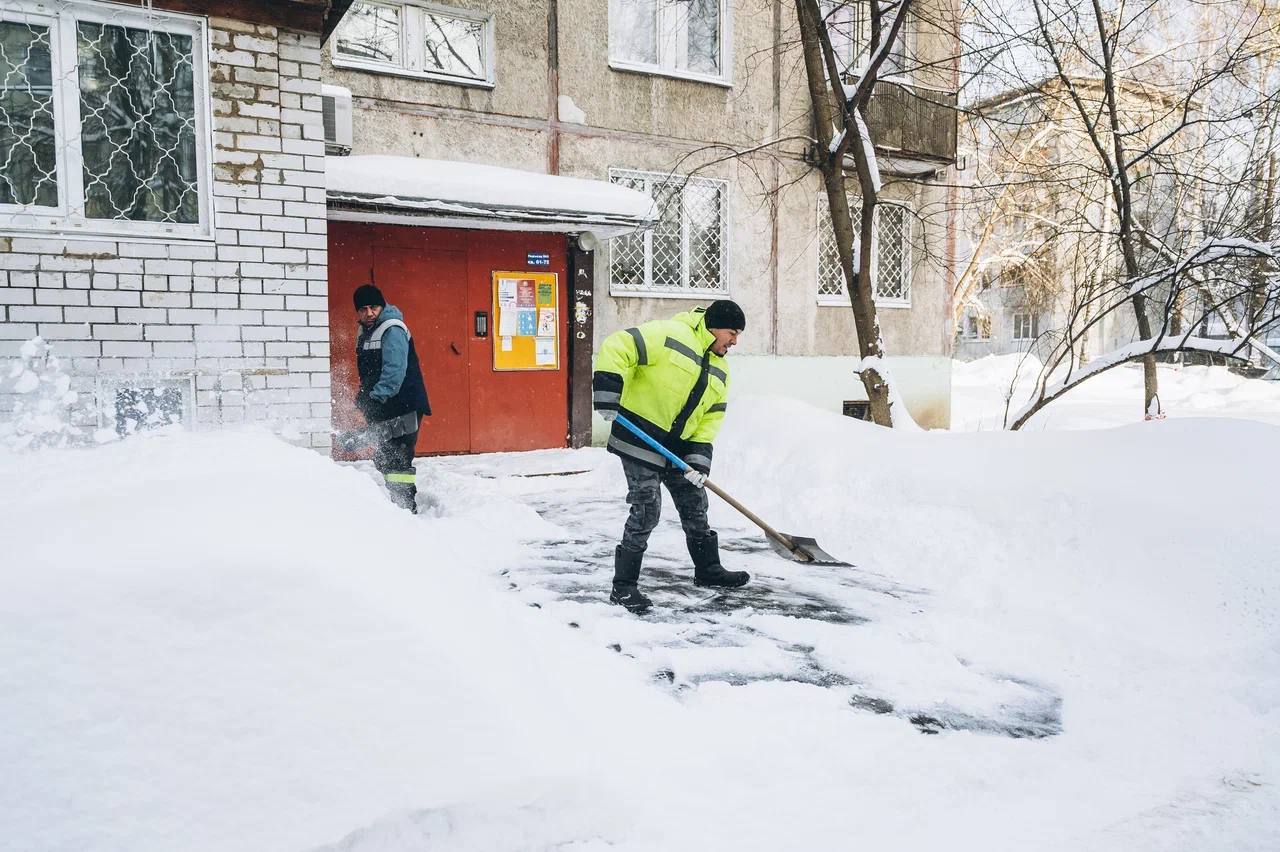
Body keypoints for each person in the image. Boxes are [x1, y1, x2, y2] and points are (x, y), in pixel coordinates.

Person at [592, 300, 750, 614]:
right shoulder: (669, 334)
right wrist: (608, 392)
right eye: (732, 333)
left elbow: (711, 418)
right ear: (715, 326)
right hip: (639, 437)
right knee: (647, 507)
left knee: (695, 504)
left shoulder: (720, 370)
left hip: (678, 449)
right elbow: (619, 345)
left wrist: (698, 460)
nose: (735, 341)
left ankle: (708, 570)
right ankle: (623, 587)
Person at [349, 284, 430, 512]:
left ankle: (405, 510)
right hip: (384, 404)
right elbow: (368, 374)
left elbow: (394, 372)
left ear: (382, 306)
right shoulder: (365, 332)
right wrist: (361, 402)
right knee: (385, 457)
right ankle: (394, 510)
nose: (369, 313)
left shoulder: (392, 328)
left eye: (373, 307)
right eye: (363, 309)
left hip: (403, 404)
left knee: (398, 460)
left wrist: (373, 400)